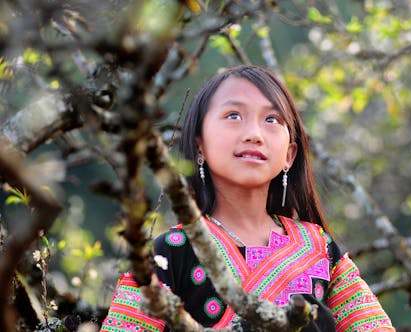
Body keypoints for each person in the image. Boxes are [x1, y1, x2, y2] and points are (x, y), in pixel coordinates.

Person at [100, 65, 395, 331]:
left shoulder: (319, 249)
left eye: (272, 119)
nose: (254, 134)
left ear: (289, 156)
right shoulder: (168, 254)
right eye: (233, 115)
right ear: (199, 145)